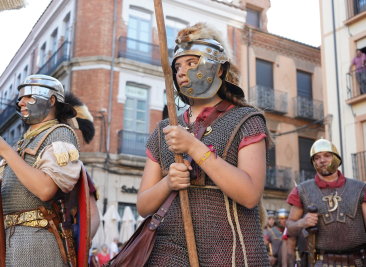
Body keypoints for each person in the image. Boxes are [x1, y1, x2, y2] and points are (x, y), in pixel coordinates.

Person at [138, 22, 271, 266]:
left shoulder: (246, 120)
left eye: (191, 63)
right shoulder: (163, 129)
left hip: (230, 252)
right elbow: (144, 206)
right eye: (177, 65)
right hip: (168, 253)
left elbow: (250, 195)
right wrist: (168, 182)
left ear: (219, 70)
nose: (181, 71)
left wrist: (194, 148)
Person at [0, 75, 100, 266]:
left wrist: (5, 151)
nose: (20, 102)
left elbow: (45, 190)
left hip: (37, 244)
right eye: (20, 97)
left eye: (28, 97)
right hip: (5, 241)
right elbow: (2, 208)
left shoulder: (60, 134)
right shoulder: (19, 145)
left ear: (51, 100)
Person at [286, 138, 366, 267]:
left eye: (327, 155)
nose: (322, 160)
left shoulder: (360, 188)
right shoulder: (302, 190)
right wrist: (302, 222)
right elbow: (290, 228)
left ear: (336, 158)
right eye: (317, 157)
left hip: (357, 262)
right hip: (320, 262)